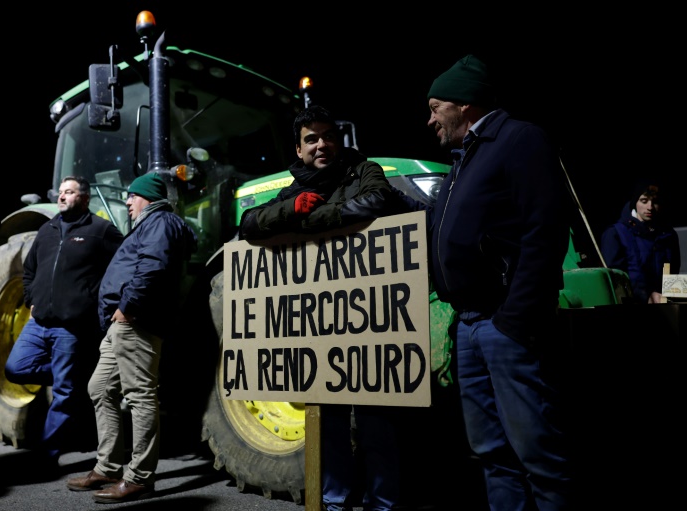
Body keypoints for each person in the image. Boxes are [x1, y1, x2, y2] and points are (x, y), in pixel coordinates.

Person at [423, 55, 573, 510]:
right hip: (468, 326)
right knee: (490, 453)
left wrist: (513, 320)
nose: (429, 119)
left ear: (464, 104)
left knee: (537, 452)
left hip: (502, 323)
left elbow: (544, 231)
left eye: (435, 108)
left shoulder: (519, 141)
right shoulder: (462, 161)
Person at [238, 105, 401, 511]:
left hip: (366, 315)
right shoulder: (292, 190)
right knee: (327, 420)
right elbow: (249, 224)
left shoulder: (363, 171)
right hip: (322, 324)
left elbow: (378, 201)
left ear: (339, 140)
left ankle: (383, 503)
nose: (321, 144)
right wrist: (290, 210)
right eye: (311, 139)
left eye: (328, 136)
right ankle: (334, 501)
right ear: (299, 148)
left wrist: (318, 218)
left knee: (375, 418)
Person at [66, 172, 197, 503]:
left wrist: (126, 308)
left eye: (132, 196)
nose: (127, 202)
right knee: (99, 388)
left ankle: (139, 477)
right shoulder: (152, 225)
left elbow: (153, 268)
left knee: (140, 396)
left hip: (136, 319)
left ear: (148, 199)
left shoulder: (162, 223)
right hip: (122, 323)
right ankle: (108, 466)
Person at [3, 175, 123, 470]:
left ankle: (47, 455)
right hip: (39, 322)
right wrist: (31, 299)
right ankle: (73, 377)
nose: (61, 196)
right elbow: (28, 270)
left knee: (64, 394)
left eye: (69, 192)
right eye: (61, 191)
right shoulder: (47, 229)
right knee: (15, 368)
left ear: (84, 198)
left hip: (70, 327)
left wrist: (95, 302)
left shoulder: (101, 230)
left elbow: (121, 267)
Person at [600, 179, 681, 304]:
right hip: (632, 307)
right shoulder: (615, 233)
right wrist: (645, 296)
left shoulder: (669, 235)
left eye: (655, 202)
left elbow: (673, 273)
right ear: (635, 202)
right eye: (644, 201)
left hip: (665, 306)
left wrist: (673, 295)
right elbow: (615, 279)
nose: (650, 207)